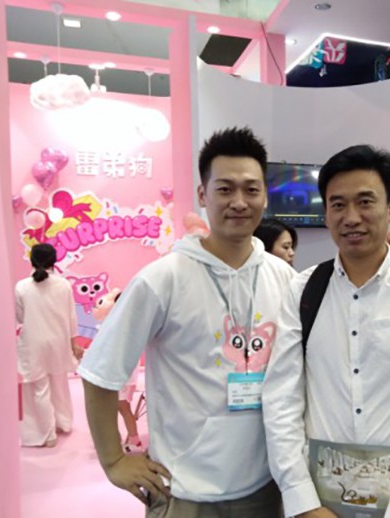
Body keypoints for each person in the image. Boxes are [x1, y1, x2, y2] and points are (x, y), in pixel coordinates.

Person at [77, 127, 295, 516]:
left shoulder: (284, 278)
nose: (239, 202)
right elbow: (100, 371)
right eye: (225, 189)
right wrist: (113, 460)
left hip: (265, 488)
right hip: (184, 492)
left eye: (251, 190)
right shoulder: (163, 278)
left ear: (265, 196)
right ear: (203, 194)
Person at [263, 145, 390, 517]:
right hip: (323, 505)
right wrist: (303, 501)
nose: (351, 217)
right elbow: (282, 401)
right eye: (338, 205)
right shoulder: (303, 290)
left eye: (365, 202)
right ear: (326, 213)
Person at [15, 243, 83, 448]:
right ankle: (63, 423)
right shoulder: (64, 285)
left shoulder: (22, 286)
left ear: (32, 260)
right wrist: (74, 343)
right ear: (54, 260)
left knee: (40, 388)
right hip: (58, 342)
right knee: (59, 384)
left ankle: (47, 434)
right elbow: (72, 317)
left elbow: (20, 317)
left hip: (33, 343)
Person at [92, 289, 144, 454]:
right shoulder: (121, 324)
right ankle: (122, 438)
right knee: (118, 406)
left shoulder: (124, 326)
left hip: (121, 373)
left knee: (122, 406)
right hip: (118, 372)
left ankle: (133, 439)